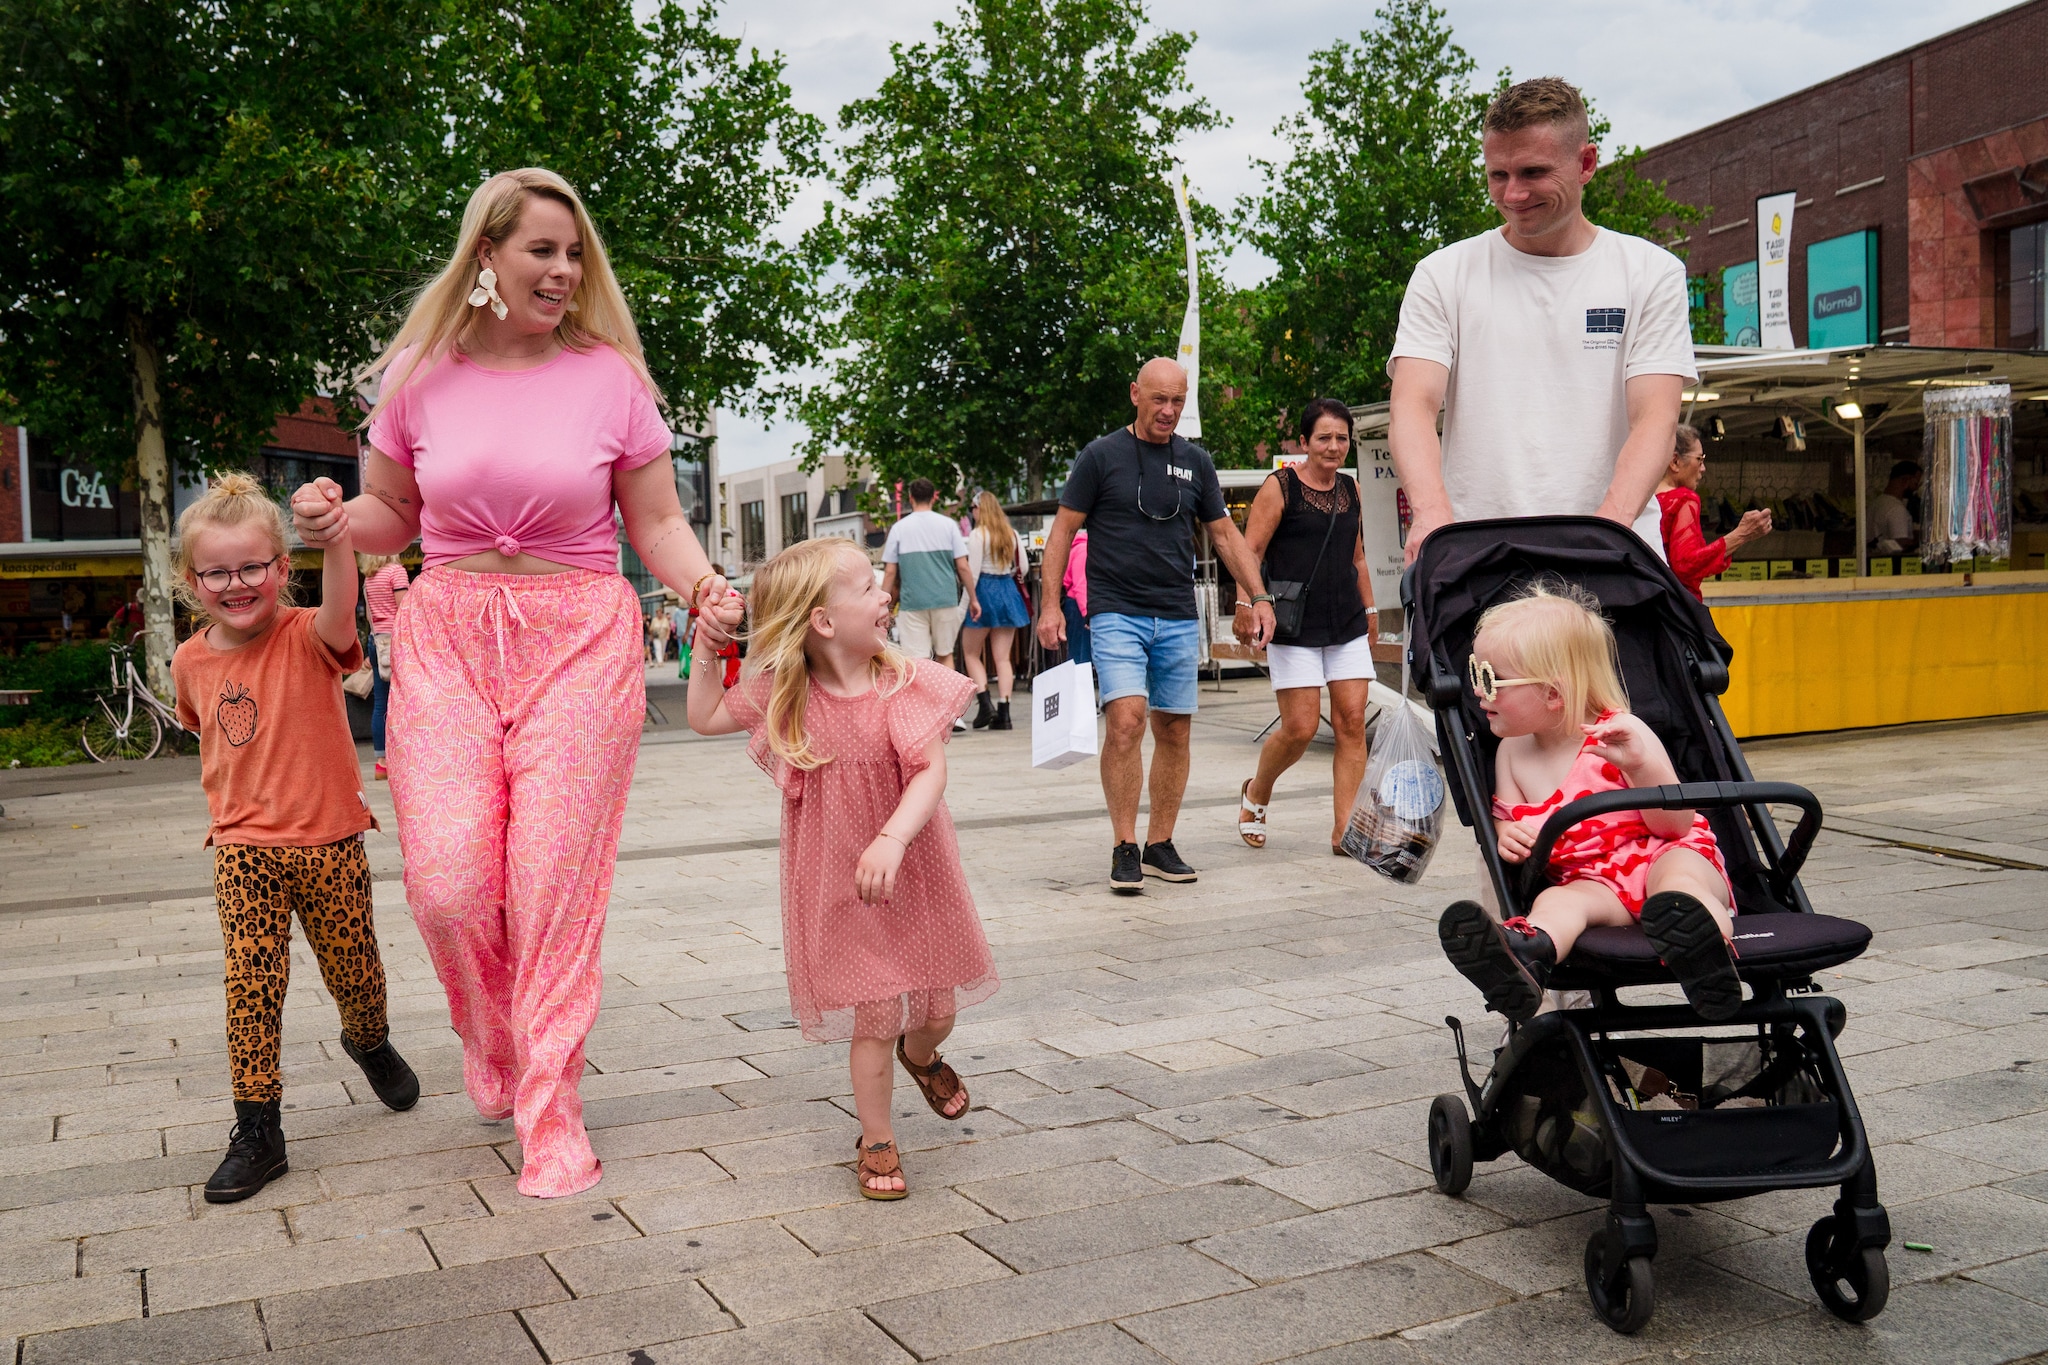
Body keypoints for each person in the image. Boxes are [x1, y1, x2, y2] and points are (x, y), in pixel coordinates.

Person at [289, 167, 737, 1199]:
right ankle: (491, 1035)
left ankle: (552, 1109)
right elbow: (391, 514)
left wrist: (705, 586)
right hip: (447, 636)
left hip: (577, 636)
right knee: (448, 886)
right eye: (543, 250)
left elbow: (656, 521)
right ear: (486, 254)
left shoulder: (610, 378)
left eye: (575, 254)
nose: (564, 271)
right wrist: (333, 520)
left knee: (549, 880)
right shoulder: (417, 375)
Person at [686, 537, 998, 1199]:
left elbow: (930, 770)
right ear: (824, 621)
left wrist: (892, 838)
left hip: (913, 867)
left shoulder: (902, 680)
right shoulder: (788, 692)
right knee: (875, 1015)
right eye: (868, 589)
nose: (886, 595)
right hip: (843, 883)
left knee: (935, 1010)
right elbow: (705, 716)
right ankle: (877, 1138)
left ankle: (923, 1054)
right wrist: (707, 648)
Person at [171, 475, 419, 1204]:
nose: (236, 583)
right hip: (242, 847)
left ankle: (367, 1039)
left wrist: (337, 536)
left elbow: (342, 605)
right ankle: (258, 1130)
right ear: (193, 582)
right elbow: (204, 729)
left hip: (330, 840)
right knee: (250, 981)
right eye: (217, 572)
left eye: (252, 566)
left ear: (282, 568)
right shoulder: (189, 661)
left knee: (356, 974)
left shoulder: (311, 635)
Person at [1388, 77, 1697, 566]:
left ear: (1586, 164)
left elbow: (1655, 418)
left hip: (1612, 553)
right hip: (1478, 557)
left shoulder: (1650, 273)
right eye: (1498, 175)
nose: (1513, 194)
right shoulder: (1443, 274)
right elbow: (1412, 405)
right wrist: (1430, 515)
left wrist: (1607, 531)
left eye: (1533, 172)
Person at [1436, 582, 1740, 1023]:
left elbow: (1675, 826)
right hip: (1595, 885)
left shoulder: (1621, 734)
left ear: (1552, 693)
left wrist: (1640, 767)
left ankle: (1704, 949)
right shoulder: (1511, 754)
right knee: (1558, 902)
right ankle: (1528, 954)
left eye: (1490, 679)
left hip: (1666, 854)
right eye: (1473, 673)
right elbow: (1506, 818)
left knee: (1681, 884)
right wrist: (1507, 834)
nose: (1477, 692)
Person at [1037, 358, 1278, 893]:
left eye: (1178, 401)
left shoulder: (1195, 461)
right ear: (1135, 394)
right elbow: (1062, 533)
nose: (1169, 411)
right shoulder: (1100, 456)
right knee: (1126, 721)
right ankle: (1124, 845)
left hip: (1176, 612)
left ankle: (1159, 843)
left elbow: (1225, 536)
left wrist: (1258, 595)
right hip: (1115, 610)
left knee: (1174, 729)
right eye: (1159, 399)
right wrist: (1050, 606)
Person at [1235, 398, 1379, 854]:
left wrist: (1371, 611)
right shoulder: (1280, 487)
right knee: (1299, 728)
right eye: (1324, 438)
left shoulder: (1352, 489)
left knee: (1351, 722)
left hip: (1346, 621)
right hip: (1293, 621)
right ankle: (1257, 791)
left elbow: (1358, 557)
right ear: (1303, 441)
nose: (1333, 446)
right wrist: (1245, 603)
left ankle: (1345, 831)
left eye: (1341, 438)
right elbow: (1249, 551)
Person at [881, 479, 978, 694]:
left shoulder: (899, 529)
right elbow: (963, 567)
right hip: (945, 599)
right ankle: (950, 706)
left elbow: (890, 572)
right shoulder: (948, 525)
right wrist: (973, 598)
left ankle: (923, 706)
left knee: (918, 661)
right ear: (934, 497)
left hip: (913, 602)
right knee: (945, 654)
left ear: (910, 498)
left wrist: (883, 605)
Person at [1656, 425, 1770, 599]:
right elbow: (1685, 564)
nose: (1703, 468)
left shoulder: (1643, 500)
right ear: (1675, 461)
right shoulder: (1683, 499)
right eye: (1699, 459)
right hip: (1676, 604)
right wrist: (1740, 535)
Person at [961, 491, 1030, 730]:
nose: (972, 512)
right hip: (1007, 590)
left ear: (980, 508)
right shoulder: (1011, 534)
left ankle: (985, 703)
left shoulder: (978, 534)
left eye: (973, 507)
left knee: (971, 653)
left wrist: (966, 603)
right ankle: (1004, 712)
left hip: (983, 591)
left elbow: (973, 572)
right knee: (1003, 658)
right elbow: (1023, 567)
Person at [359, 553, 410, 778]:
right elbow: (405, 611)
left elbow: (370, 615)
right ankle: (405, 757)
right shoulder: (396, 572)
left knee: (381, 703)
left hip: (377, 640)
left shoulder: (369, 577)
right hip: (396, 641)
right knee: (405, 700)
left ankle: (382, 762)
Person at [1869, 460, 1923, 555]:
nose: (1916, 489)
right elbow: (1901, 544)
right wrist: (1919, 538)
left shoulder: (1876, 503)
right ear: (1905, 480)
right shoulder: (1897, 510)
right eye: (1915, 483)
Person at [1061, 529, 1091, 666]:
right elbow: (1081, 585)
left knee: (1078, 653)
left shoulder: (1078, 547)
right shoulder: (1084, 549)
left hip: (1076, 604)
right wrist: (1087, 614)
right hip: (1080, 606)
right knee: (1081, 656)